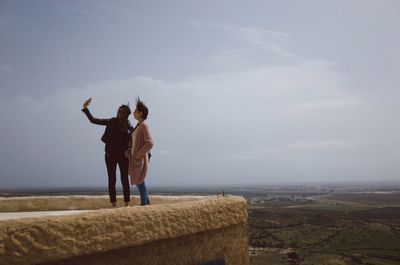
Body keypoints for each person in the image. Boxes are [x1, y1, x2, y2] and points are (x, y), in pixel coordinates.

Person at [81, 98, 133, 207]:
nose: (120, 113)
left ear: (127, 114)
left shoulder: (128, 126)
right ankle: (113, 203)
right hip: (110, 155)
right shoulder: (111, 121)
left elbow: (134, 139)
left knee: (124, 178)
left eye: (123, 112)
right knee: (112, 178)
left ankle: (127, 203)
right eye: (119, 111)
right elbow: (94, 120)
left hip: (123, 156)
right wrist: (86, 109)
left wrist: (130, 149)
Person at [129, 97, 154, 205]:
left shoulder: (144, 125)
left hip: (139, 159)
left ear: (140, 113)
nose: (133, 113)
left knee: (140, 183)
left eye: (135, 111)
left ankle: (143, 208)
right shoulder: (139, 125)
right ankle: (147, 206)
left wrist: (138, 155)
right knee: (140, 182)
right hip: (136, 159)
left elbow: (150, 143)